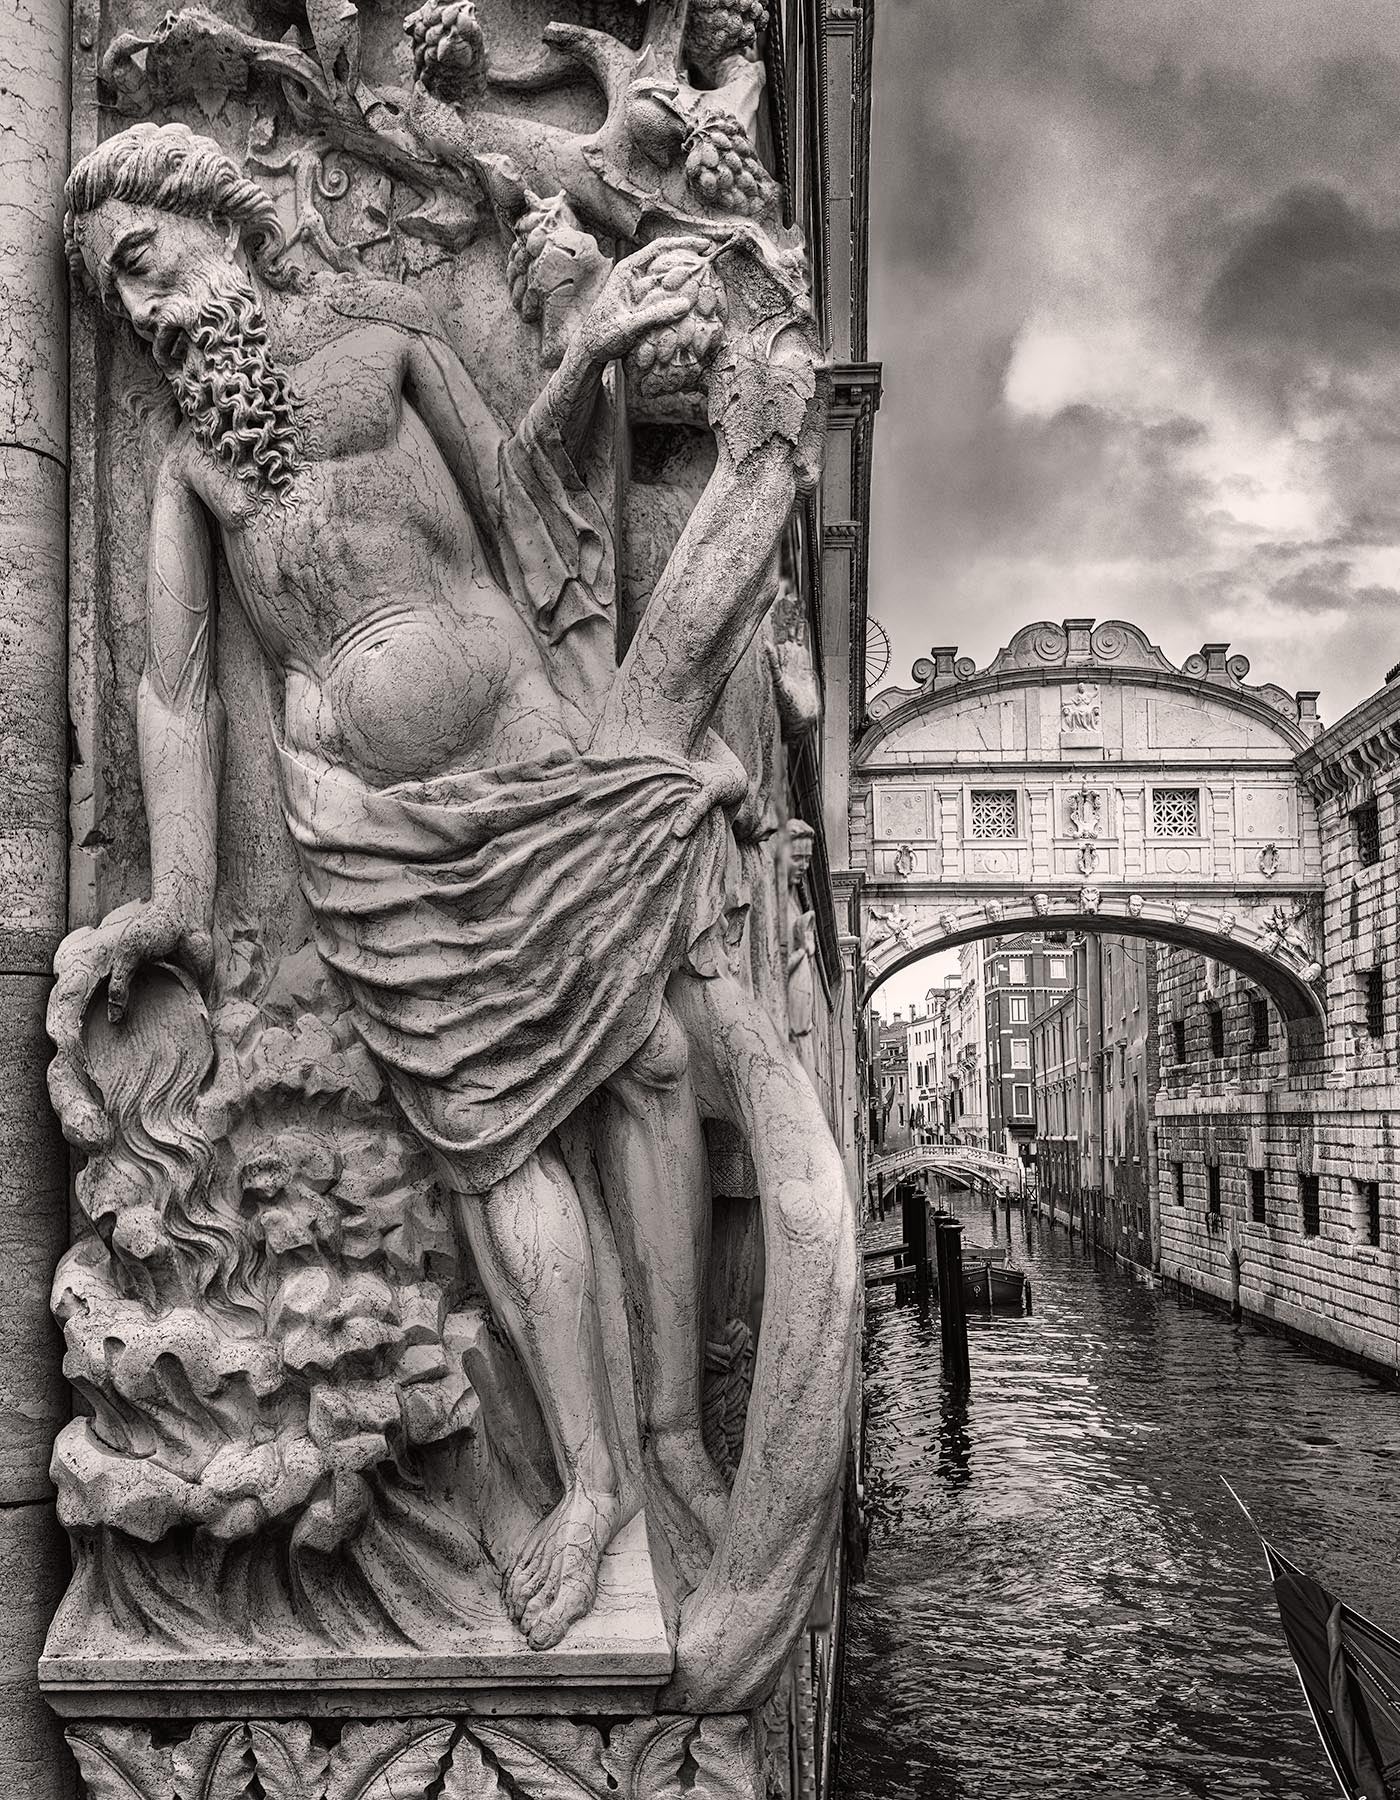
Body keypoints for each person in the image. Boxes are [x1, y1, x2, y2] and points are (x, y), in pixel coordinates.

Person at [61, 123, 852, 1709]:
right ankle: (587, 1482)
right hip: (363, 831)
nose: (140, 314)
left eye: (144, 265)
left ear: (217, 223)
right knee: (493, 1142)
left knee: (632, 1062)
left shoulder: (385, 344)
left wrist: (596, 353)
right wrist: (172, 898)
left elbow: (519, 492)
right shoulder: (192, 466)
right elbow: (167, 686)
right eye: (111, 299)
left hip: (519, 748)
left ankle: (671, 1442)